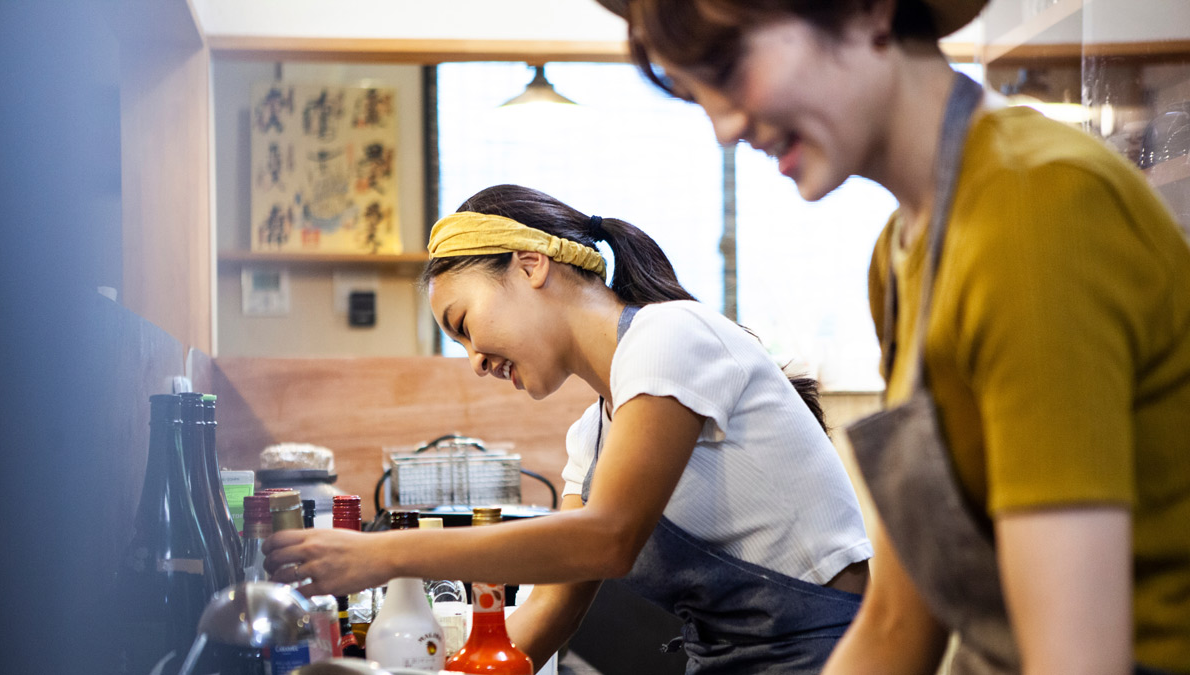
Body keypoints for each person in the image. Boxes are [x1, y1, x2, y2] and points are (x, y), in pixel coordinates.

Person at [601, 0, 1190, 673]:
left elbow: (1076, 660)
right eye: (698, 95)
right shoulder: (903, 252)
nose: (726, 127)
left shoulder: (1035, 207)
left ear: (867, 11)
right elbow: (896, 621)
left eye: (730, 68)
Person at [264, 183, 873, 673]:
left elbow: (606, 539)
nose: (475, 360)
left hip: (831, 658)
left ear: (531, 266)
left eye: (466, 324)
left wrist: (384, 556)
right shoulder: (593, 436)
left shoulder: (671, 335)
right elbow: (554, 600)